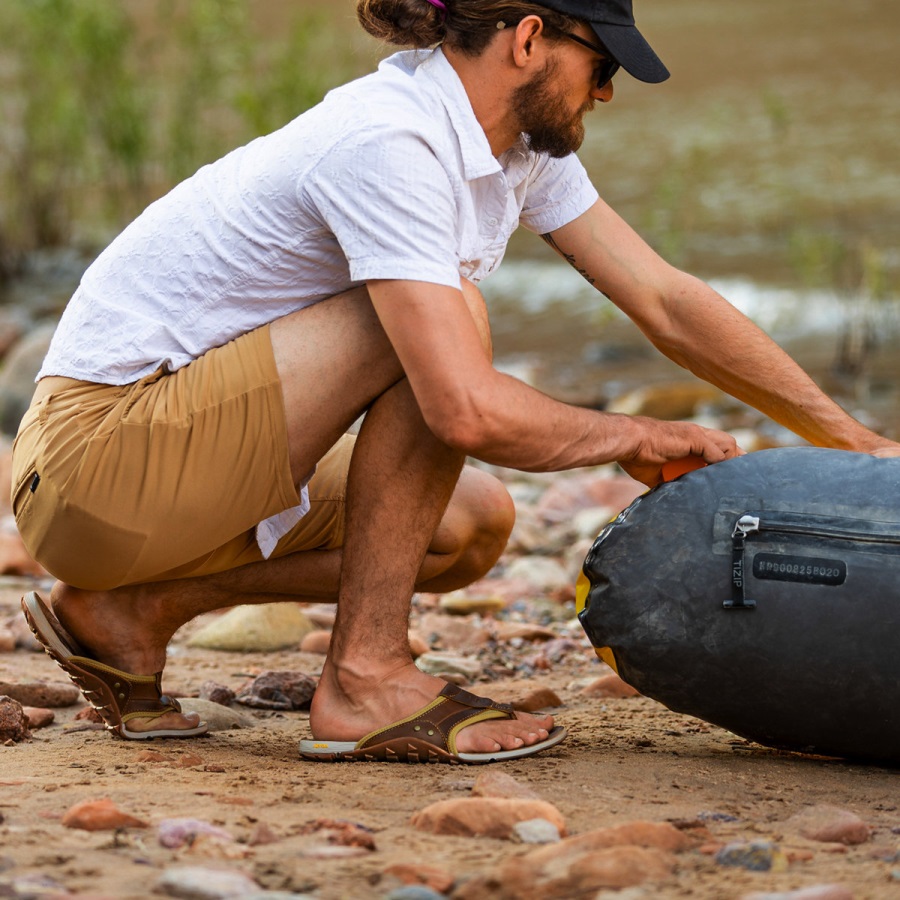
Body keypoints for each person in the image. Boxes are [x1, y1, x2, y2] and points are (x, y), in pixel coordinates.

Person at [12, 0, 900, 763]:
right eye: (598, 63)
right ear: (526, 41)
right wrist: (637, 434)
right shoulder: (389, 138)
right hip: (98, 466)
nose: (606, 91)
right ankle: (363, 681)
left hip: (168, 471)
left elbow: (665, 301)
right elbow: (462, 407)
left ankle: (133, 610)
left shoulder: (516, 150)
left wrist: (852, 440)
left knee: (465, 527)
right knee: (445, 320)